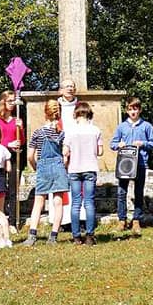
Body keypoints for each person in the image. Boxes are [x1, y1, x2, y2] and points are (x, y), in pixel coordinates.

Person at [110, 97, 153, 237]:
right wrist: (118, 145)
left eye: (135, 109)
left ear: (140, 110)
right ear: (126, 110)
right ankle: (122, 220)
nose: (133, 112)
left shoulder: (146, 126)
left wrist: (143, 143)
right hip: (124, 164)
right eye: (130, 109)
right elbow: (112, 144)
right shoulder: (121, 127)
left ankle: (137, 220)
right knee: (121, 192)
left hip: (140, 164)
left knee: (138, 192)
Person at [23, 100, 69, 246]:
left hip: (43, 167)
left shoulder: (38, 133)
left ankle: (32, 236)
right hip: (59, 167)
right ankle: (53, 236)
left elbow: (30, 156)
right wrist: (63, 167)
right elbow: (65, 155)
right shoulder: (62, 134)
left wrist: (35, 167)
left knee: (39, 202)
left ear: (45, 113)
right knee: (58, 202)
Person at [63, 101, 103, 246]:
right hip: (90, 168)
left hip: (74, 169)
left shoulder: (70, 130)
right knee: (89, 202)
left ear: (76, 114)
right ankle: (90, 236)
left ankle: (76, 236)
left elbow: (65, 151)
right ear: (89, 114)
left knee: (75, 203)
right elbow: (100, 151)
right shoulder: (96, 130)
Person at [0, 91, 25, 233]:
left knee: (13, 189)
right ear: (3, 102)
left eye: (14, 101)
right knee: (0, 189)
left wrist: (21, 129)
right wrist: (7, 144)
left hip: (14, 157)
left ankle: (12, 221)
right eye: (9, 101)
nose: (12, 104)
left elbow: (22, 140)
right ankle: (0, 218)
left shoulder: (17, 120)